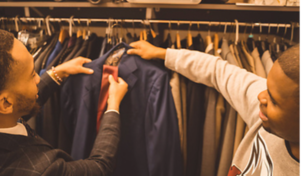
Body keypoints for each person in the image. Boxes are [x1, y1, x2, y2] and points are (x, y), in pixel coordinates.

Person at [127, 41, 301, 175]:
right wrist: (163, 53)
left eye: (274, 101)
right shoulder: (262, 110)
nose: (260, 97)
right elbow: (218, 71)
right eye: (266, 88)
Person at [0, 28, 128, 176]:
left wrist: (57, 72)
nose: (39, 78)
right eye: (32, 74)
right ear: (5, 104)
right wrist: (113, 106)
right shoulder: (39, 170)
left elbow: (16, 105)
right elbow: (99, 167)